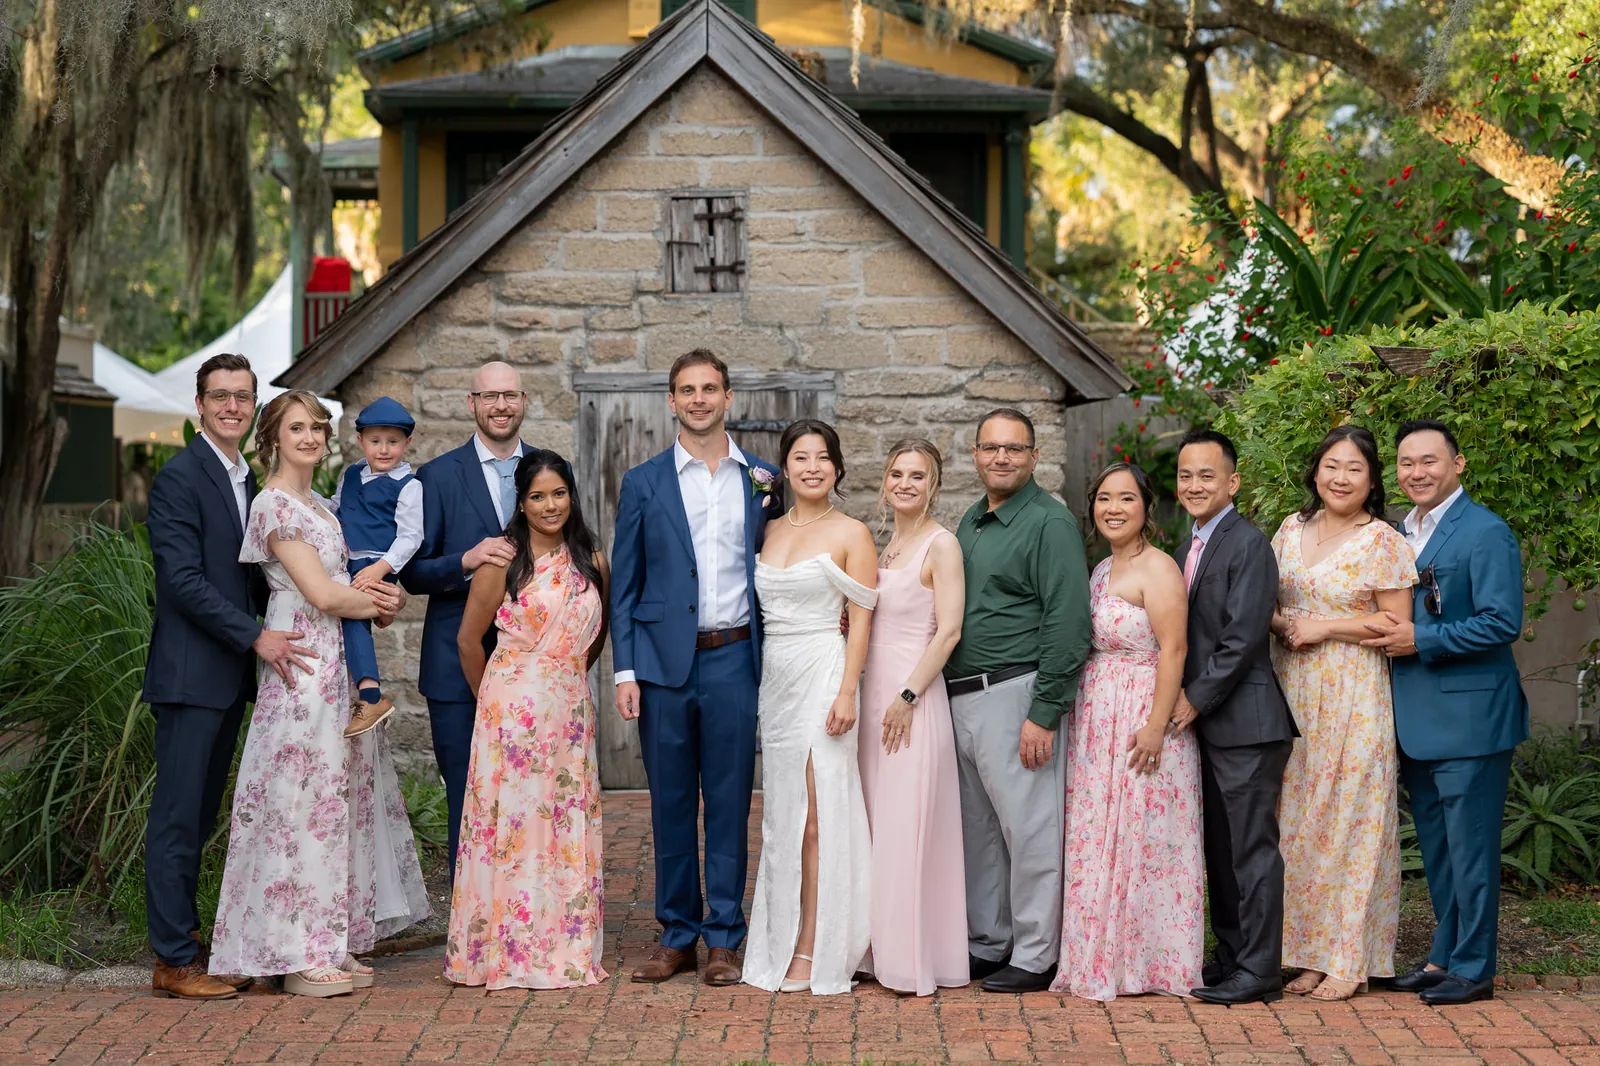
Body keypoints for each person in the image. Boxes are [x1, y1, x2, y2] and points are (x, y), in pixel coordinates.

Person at [209, 391, 429, 998]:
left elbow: (351, 586)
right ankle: (293, 950)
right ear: (273, 438)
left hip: (338, 663)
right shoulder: (274, 505)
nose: (309, 437)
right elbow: (325, 595)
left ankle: (329, 939)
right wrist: (379, 601)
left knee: (337, 800)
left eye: (317, 428)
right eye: (296, 428)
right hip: (302, 664)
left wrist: (386, 599)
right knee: (298, 803)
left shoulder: (324, 508)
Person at [610, 349, 782, 986]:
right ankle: (677, 934)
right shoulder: (643, 482)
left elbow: (784, 562)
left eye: (710, 388)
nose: (700, 399)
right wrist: (625, 671)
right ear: (672, 401)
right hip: (662, 666)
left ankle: (725, 937)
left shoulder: (763, 480)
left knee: (732, 800)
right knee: (671, 802)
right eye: (688, 390)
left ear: (728, 397)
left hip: (736, 656)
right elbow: (624, 584)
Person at [143, 353, 309, 1000]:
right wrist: (254, 635)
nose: (232, 406)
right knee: (178, 819)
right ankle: (173, 961)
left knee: (202, 815)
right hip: (191, 676)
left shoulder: (246, 480)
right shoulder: (180, 477)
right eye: (220, 396)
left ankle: (189, 945)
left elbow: (252, 578)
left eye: (242, 396)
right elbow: (182, 581)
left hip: (229, 679)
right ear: (200, 405)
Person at [1364, 420, 1527, 1006]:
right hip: (1415, 720)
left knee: (1471, 850)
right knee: (1439, 852)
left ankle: (1475, 968)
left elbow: (1502, 621)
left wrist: (1423, 639)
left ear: (1457, 464)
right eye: (1406, 463)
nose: (1417, 472)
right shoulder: (1394, 532)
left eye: (1429, 461)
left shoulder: (1486, 531)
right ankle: (1443, 957)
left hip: (1471, 720)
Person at [446, 450, 611, 989]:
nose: (549, 505)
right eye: (537, 496)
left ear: (572, 496)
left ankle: (562, 944)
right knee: (514, 830)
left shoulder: (591, 559)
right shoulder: (502, 561)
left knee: (562, 823)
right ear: (521, 502)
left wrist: (562, 678)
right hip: (509, 719)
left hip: (568, 711)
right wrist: (494, 705)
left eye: (558, 493)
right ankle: (505, 950)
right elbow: (468, 640)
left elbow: (596, 635)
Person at [944, 408, 1091, 994]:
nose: (1001, 457)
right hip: (960, 696)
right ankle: (989, 941)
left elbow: (1068, 622)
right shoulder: (971, 520)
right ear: (975, 455)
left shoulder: (1049, 524)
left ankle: (1036, 953)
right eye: (990, 447)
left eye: (1013, 448)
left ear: (1033, 456)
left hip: (1015, 693)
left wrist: (1044, 711)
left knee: (1030, 830)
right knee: (979, 832)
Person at [1270, 426, 1416, 1001]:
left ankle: (1350, 959)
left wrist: (1325, 627)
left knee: (1351, 824)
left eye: (1355, 468)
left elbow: (1396, 624)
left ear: (1372, 480)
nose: (1340, 478)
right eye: (1331, 465)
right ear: (1315, 471)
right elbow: (1272, 605)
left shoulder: (1382, 540)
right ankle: (1309, 954)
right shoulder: (1290, 528)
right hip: (1292, 689)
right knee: (1299, 823)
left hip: (1353, 694)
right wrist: (1286, 625)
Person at [1052, 462, 1203, 1002]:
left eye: (1126, 499)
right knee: (1099, 834)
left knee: (1143, 835)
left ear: (1146, 508)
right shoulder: (1099, 569)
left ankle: (1147, 963)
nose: (1113, 509)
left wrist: (1157, 726)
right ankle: (1097, 956)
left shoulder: (1158, 568)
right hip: (1098, 719)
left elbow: (1175, 649)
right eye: (1104, 499)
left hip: (1142, 715)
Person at [742, 419, 878, 995]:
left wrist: (847, 690)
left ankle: (815, 946)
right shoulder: (767, 529)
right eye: (801, 457)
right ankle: (778, 937)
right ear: (784, 469)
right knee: (783, 818)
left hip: (825, 673)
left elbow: (862, 621)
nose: (813, 467)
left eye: (823, 457)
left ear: (837, 468)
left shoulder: (852, 533)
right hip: (777, 684)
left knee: (819, 818)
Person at [1170, 428, 1298, 1007]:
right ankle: (1231, 956)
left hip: (1246, 722)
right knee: (1219, 852)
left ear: (1233, 482)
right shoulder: (1188, 546)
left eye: (1207, 475)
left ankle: (1260, 968)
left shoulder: (1249, 544)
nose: (1194, 485)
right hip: (1208, 725)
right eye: (1185, 475)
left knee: (1251, 850)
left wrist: (1194, 698)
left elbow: (1243, 638)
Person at [401, 362, 531, 877]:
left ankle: (524, 907)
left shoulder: (549, 469)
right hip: (453, 667)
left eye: (510, 395)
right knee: (465, 789)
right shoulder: (436, 476)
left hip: (530, 665)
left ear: (523, 401)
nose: (501, 406)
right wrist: (466, 561)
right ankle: (467, 912)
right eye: (489, 396)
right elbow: (412, 573)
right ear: (471, 403)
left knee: (529, 793)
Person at [857, 439, 969, 997]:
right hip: (873, 701)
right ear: (885, 481)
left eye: (917, 476)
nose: (905, 483)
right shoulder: (888, 545)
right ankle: (875, 947)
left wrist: (906, 696)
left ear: (934, 485)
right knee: (876, 827)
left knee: (907, 828)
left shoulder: (940, 545)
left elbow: (949, 631)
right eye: (897, 473)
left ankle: (909, 959)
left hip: (912, 702)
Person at [331, 396, 424, 738]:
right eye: (375, 441)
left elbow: (411, 536)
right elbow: (337, 507)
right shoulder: (351, 474)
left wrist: (380, 569)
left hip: (376, 561)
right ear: (360, 441)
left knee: (351, 616)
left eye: (393, 442)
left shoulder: (409, 486)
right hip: (347, 559)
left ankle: (371, 696)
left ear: (407, 443)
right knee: (341, 617)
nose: (384, 449)